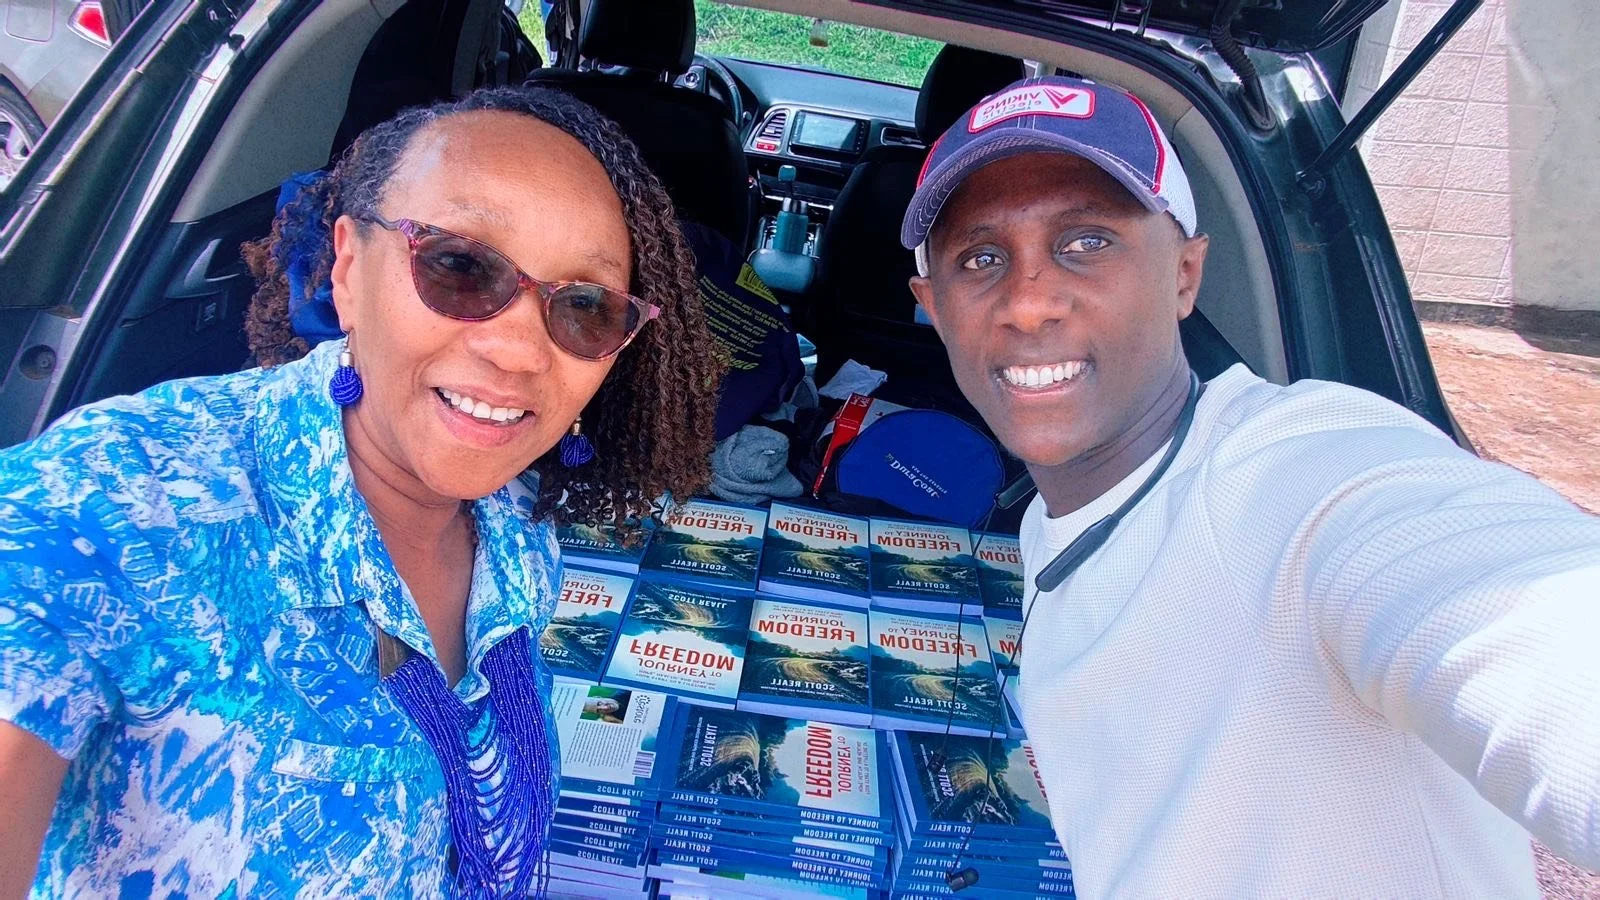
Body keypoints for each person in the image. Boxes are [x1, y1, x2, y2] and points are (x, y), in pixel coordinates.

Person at [0, 84, 723, 897]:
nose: (521, 351)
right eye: (460, 266)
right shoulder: (113, 507)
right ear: (347, 267)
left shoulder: (518, 523)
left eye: (585, 306)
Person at [902, 74, 1600, 898]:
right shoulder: (1062, 514)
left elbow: (1516, 617)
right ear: (932, 306)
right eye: (981, 258)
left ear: (1185, 274)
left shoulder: (1300, 475)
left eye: (1087, 241)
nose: (1027, 303)